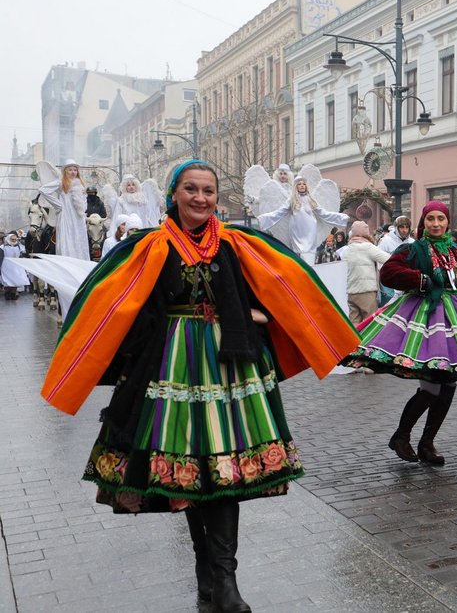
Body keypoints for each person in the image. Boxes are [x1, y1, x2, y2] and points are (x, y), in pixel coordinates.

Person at [40, 159, 360, 611]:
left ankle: (224, 583)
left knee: (224, 469)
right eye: (191, 189)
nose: (200, 198)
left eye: (208, 191)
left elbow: (279, 283)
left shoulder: (235, 243)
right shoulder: (150, 246)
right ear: (174, 194)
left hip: (230, 367)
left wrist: (254, 314)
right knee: (193, 473)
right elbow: (118, 302)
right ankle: (206, 577)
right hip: (170, 365)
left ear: (216, 198)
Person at [341, 201, 457, 465]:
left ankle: (427, 442)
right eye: (430, 218)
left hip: (455, 317)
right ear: (423, 221)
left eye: (440, 218)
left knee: (448, 383)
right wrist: (421, 280)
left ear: (447, 221)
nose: (436, 223)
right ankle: (402, 436)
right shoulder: (414, 249)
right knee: (432, 386)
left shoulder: (456, 250)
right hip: (424, 317)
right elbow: (389, 272)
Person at [256, 174, 350, 264]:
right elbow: (279, 212)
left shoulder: (311, 200)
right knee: (299, 254)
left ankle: (309, 271)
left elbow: (323, 213)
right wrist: (264, 219)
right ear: (296, 187)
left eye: (304, 184)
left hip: (310, 232)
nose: (302, 186)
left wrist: (341, 217)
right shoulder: (291, 200)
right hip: (297, 232)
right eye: (299, 184)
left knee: (309, 254)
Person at [339, 220, 390, 324]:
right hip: (367, 290)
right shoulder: (368, 247)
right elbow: (387, 259)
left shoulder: (346, 250)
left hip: (351, 291)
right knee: (370, 322)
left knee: (354, 323)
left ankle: (354, 341)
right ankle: (369, 341)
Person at [38, 159, 90, 260]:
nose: (73, 172)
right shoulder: (61, 183)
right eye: (70, 169)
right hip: (66, 216)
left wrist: (83, 206)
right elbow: (43, 190)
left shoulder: (80, 185)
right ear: (65, 171)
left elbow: (84, 204)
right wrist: (58, 205)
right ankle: (67, 263)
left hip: (78, 219)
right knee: (67, 239)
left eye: (75, 170)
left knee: (80, 240)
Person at [378, 215, 415, 304]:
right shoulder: (386, 241)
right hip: (390, 282)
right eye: (402, 227)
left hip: (407, 281)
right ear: (396, 228)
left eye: (407, 227)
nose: (404, 230)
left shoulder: (412, 242)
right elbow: (379, 261)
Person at [1, 232, 30, 299]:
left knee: (15, 280)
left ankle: (13, 294)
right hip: (6, 266)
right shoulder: (3, 247)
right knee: (7, 281)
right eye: (12, 239)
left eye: (15, 239)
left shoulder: (19, 246)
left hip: (16, 266)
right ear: (8, 239)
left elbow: (23, 254)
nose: (14, 241)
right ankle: (7, 294)